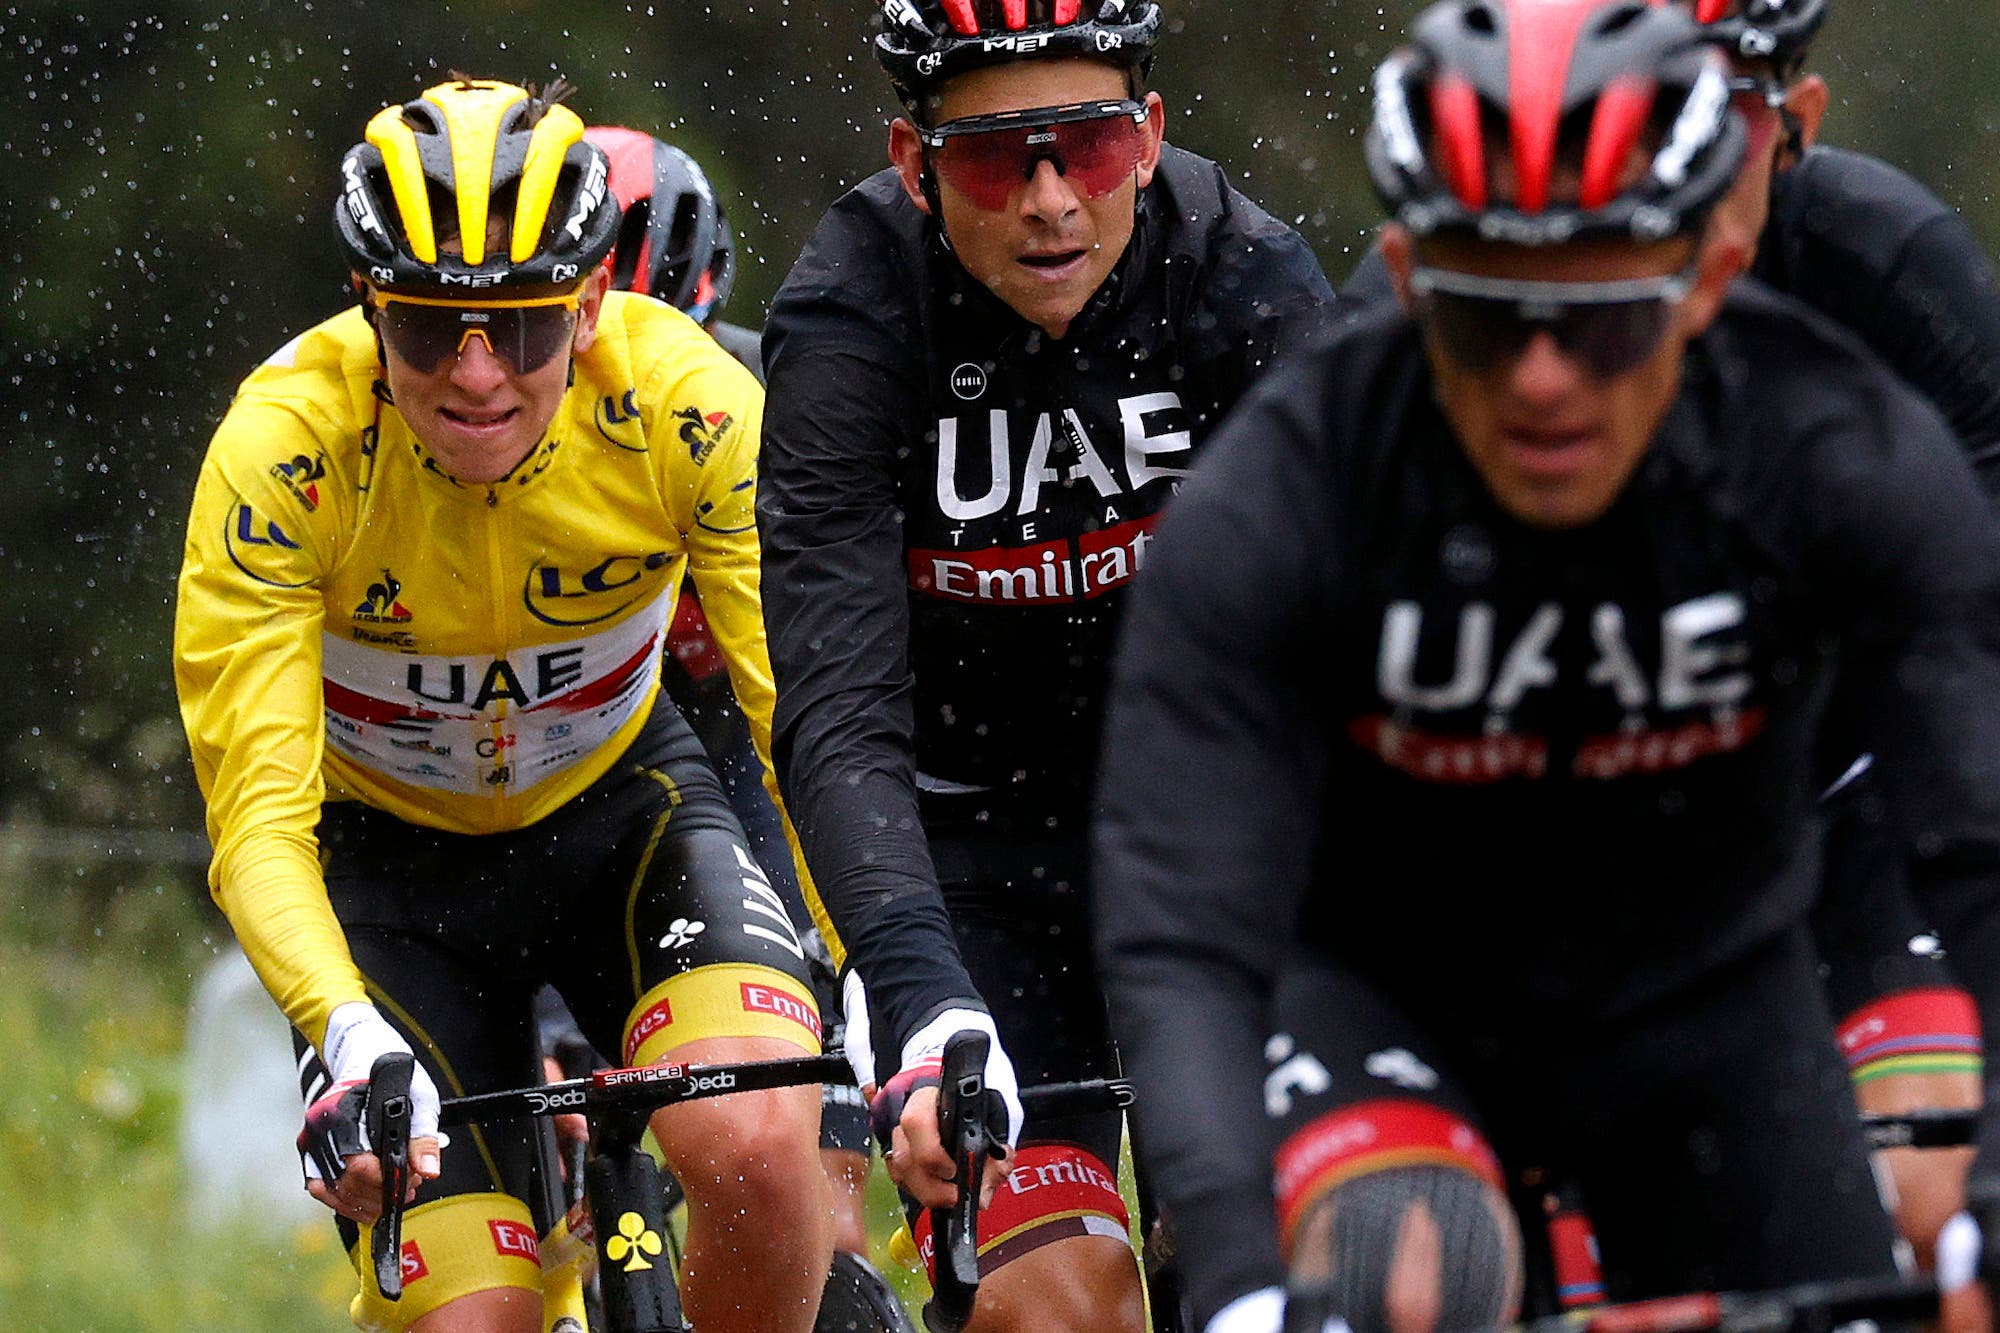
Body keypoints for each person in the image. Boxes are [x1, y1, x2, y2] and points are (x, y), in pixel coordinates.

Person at [1090, 4, 2000, 1332]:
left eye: (1606, 318)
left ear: (1706, 271)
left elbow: (1981, 832)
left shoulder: (1835, 449)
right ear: (1404, 277)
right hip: (1386, 984)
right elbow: (1181, 921)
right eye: (1485, 315)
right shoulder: (1293, 487)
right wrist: (1234, 1281)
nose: (1544, 379)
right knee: (1407, 1281)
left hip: (1711, 992)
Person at [174, 77, 831, 1333]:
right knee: (480, 1318)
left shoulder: (685, 405)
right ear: (372, 308)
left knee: (754, 1152)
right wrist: (336, 1025)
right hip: (393, 883)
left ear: (591, 306)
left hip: (622, 820)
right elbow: (257, 818)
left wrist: (876, 962)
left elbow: (805, 716)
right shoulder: (281, 449)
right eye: (427, 330)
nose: (476, 376)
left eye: (523, 329)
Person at [756, 1, 1339, 1328]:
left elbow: (1334, 650)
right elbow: (841, 719)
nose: (1048, 200)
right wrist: (914, 995)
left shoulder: (1242, 277)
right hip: (972, 864)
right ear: (913, 164)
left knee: (1288, 1272)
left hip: (1207, 838)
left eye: (1086, 145)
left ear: (1150, 134)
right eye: (990, 160)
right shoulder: (852, 316)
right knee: (1053, 1306)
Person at [578, 121, 912, 1331]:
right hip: (579, 773)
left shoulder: (754, 405)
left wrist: (851, 945)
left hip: (747, 758)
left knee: (814, 1202)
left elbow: (823, 702)